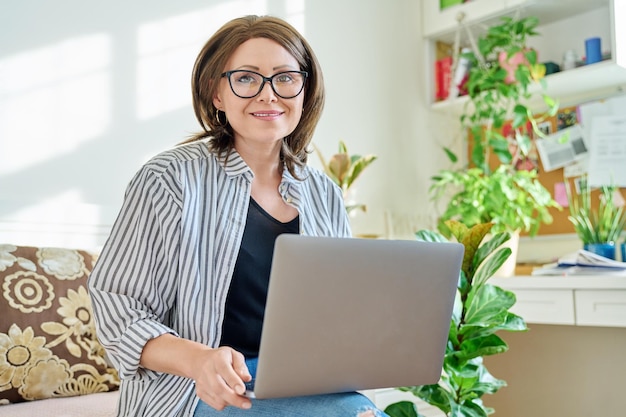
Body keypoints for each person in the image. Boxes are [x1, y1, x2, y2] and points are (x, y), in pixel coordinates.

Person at [88, 15, 388, 417]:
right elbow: (118, 309)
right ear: (216, 94)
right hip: (195, 392)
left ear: (304, 90)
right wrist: (199, 361)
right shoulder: (169, 179)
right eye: (246, 78)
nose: (269, 95)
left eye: (285, 78)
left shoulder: (325, 194)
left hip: (302, 385)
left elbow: (337, 312)